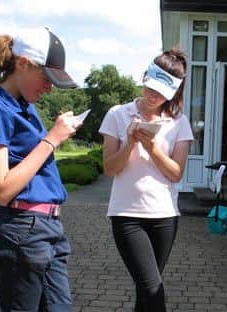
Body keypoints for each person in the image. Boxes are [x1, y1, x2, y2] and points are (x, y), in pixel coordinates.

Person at [0, 27, 78, 311]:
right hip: (23, 229)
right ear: (23, 64)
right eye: (46, 78)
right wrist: (52, 139)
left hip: (47, 227)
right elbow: (2, 190)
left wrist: (51, 138)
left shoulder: (22, 107)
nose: (49, 88)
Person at [99, 48, 193, 312]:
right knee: (152, 288)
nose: (153, 97)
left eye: (161, 94)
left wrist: (152, 148)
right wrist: (130, 144)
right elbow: (109, 168)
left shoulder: (179, 122)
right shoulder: (118, 114)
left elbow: (176, 173)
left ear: (173, 93)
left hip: (164, 215)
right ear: (144, 78)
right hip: (126, 214)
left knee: (146, 291)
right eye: (150, 88)